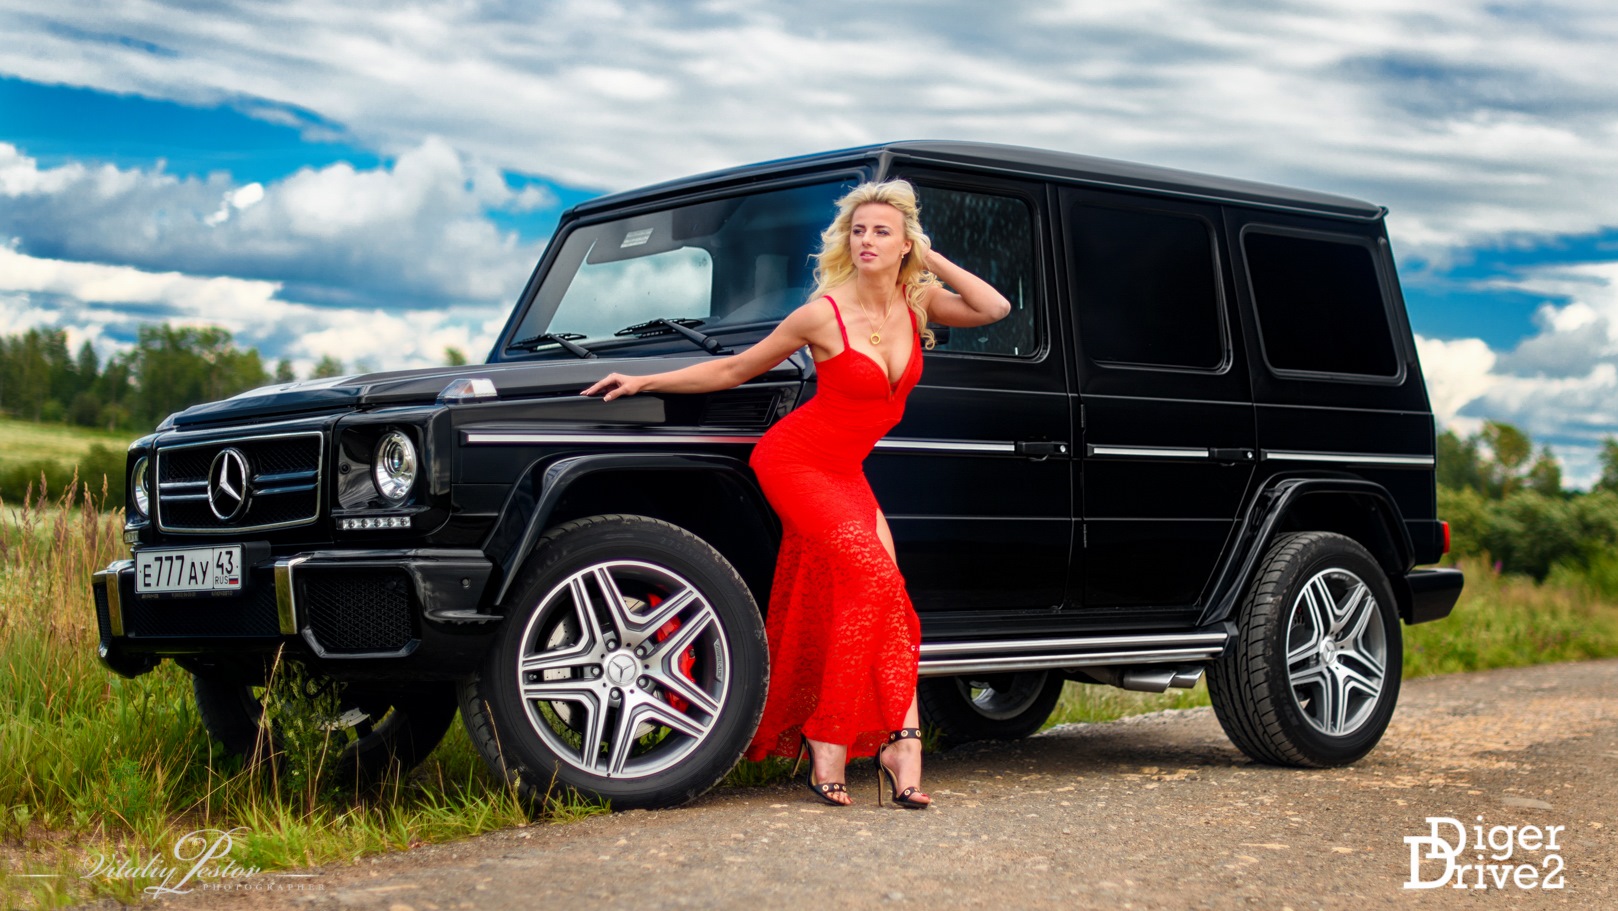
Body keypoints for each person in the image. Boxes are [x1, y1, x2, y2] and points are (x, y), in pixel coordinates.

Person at [582, 180, 1010, 807]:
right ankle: (829, 740)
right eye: (858, 230)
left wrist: (929, 256)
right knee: (872, 586)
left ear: (903, 244)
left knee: (892, 605)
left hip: (847, 473)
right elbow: (733, 369)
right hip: (795, 463)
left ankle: (899, 741)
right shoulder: (823, 312)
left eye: (881, 232)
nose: (866, 240)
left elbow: (994, 307)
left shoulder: (917, 302)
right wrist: (645, 379)